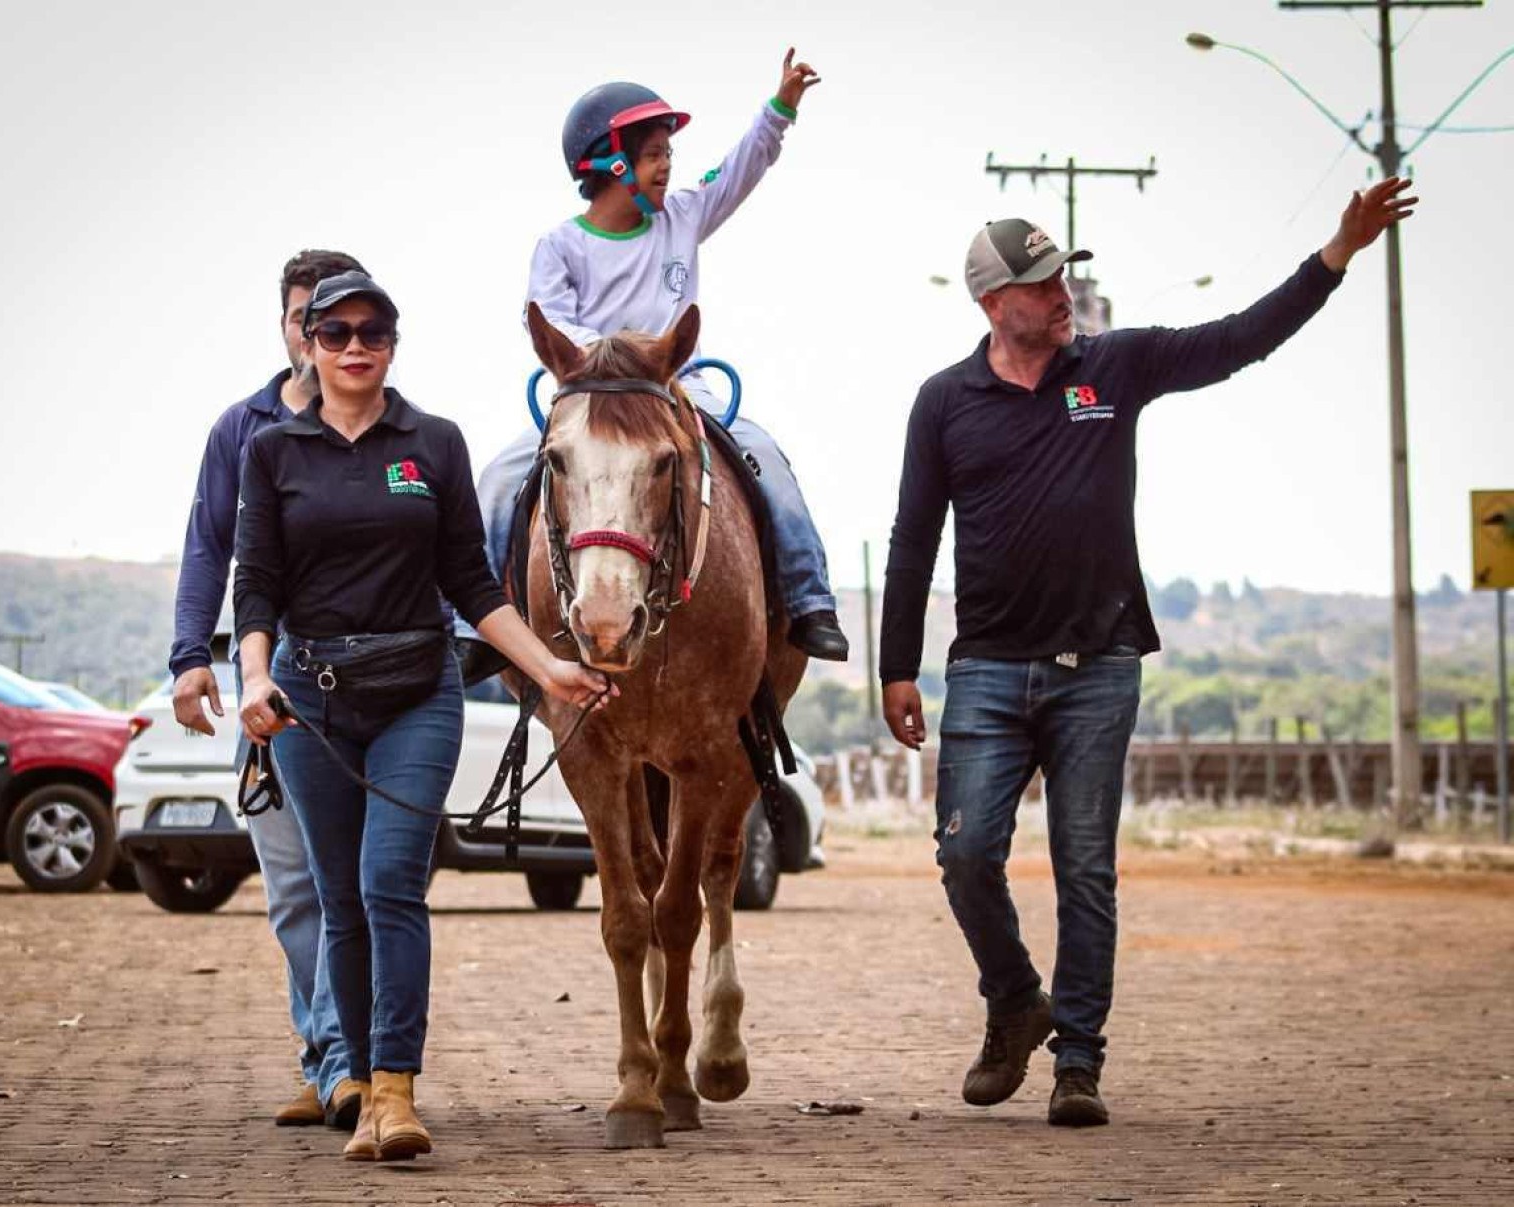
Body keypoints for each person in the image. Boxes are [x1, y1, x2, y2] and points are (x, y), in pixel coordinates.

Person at [879, 179, 1417, 1127]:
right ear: (994, 305)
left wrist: (1335, 254)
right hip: (987, 669)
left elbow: (1238, 338)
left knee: (1087, 868)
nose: (1062, 294)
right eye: (1043, 283)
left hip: (1101, 663)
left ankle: (1077, 1061)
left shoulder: (1115, 368)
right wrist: (894, 666)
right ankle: (1014, 1003)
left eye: (1064, 279)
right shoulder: (943, 403)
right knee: (966, 856)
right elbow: (914, 536)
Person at [233, 271, 612, 1161]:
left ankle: (396, 1094)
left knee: (389, 881)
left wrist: (551, 667)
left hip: (417, 692)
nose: (355, 345)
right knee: (339, 900)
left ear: (393, 343)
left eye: (373, 330)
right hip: (310, 703)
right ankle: (357, 1080)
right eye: (335, 332)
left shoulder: (433, 442)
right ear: (308, 344)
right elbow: (254, 582)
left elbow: (470, 584)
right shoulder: (274, 451)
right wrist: (254, 680)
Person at [457, 49, 848, 683]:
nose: (668, 165)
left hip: (674, 390)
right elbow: (552, 323)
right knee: (499, 480)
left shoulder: (683, 217)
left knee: (764, 457)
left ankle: (808, 600)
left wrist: (780, 110)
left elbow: (738, 172)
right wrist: (614, 358)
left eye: (668, 153)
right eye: (655, 153)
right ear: (613, 163)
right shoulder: (560, 246)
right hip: (588, 399)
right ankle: (469, 628)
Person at [167, 248, 365, 1132]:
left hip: (367, 686)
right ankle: (330, 1058)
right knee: (293, 885)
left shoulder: (387, 426)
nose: (319, 331)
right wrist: (189, 656)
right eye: (305, 315)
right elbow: (210, 546)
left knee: (353, 883)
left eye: (339, 316)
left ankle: (343, 1060)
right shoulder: (240, 429)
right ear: (289, 325)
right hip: (268, 684)